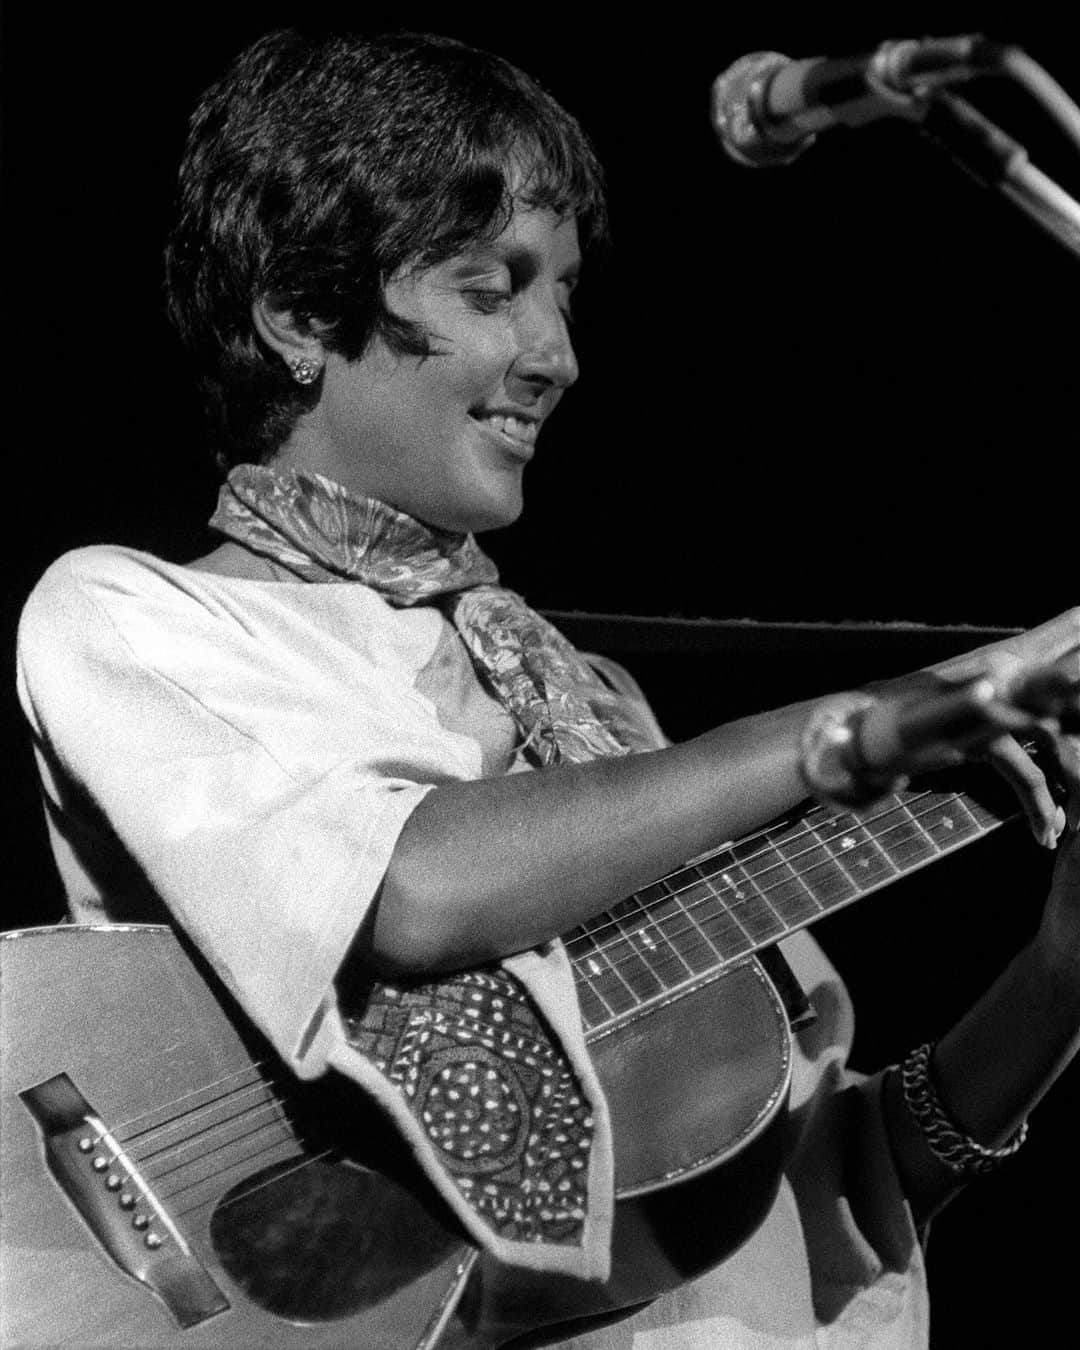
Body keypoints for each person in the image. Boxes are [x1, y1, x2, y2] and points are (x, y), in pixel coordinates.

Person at [14, 27, 1080, 1350]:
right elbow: (413, 890)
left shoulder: (588, 710)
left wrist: (1058, 973)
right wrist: (835, 735)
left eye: (563, 294)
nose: (557, 351)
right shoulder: (141, 618)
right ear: (299, 308)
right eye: (494, 287)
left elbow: (833, 1187)